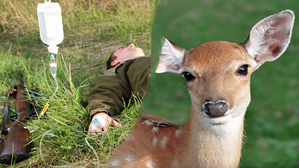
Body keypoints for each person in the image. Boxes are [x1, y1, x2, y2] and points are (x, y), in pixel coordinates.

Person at [86, 44, 151, 132]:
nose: (132, 45)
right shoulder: (118, 70)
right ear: (115, 62)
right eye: (122, 49)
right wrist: (100, 114)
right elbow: (105, 89)